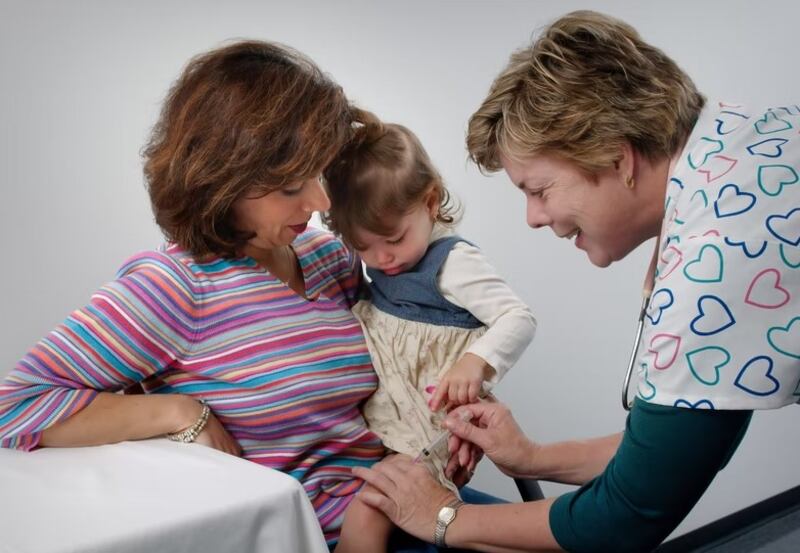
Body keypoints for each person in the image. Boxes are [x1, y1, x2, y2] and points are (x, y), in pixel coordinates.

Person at [351, 10, 800, 552]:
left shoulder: (715, 254)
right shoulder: (741, 147)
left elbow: (628, 516)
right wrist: (532, 458)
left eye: (539, 189)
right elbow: (688, 447)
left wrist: (442, 516)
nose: (533, 218)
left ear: (618, 157)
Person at [0, 40, 468, 553]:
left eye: (319, 173)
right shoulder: (175, 287)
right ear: (222, 181)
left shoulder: (327, 258)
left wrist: (454, 421)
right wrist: (179, 412)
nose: (321, 202)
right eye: (291, 187)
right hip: (314, 537)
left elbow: (400, 366)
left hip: (411, 507)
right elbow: (17, 406)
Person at [323, 114, 537, 497]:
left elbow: (518, 318)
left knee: (374, 506)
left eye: (394, 238)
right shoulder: (375, 264)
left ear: (431, 202)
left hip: (427, 424)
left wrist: (475, 361)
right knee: (370, 500)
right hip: (386, 420)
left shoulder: (452, 264)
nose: (383, 258)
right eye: (363, 246)